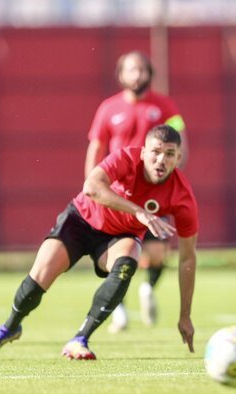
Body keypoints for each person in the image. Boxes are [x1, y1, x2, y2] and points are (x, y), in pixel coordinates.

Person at [0, 125, 198, 360]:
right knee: (40, 276)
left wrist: (185, 315)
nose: (161, 160)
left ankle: (79, 339)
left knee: (128, 260)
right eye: (155, 152)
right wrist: (138, 212)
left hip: (119, 237)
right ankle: (10, 327)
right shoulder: (126, 158)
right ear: (143, 152)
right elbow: (91, 187)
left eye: (169, 154)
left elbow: (187, 258)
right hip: (81, 220)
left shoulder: (182, 196)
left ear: (178, 159)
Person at [85, 51, 189, 333]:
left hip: (153, 193)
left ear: (150, 74)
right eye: (131, 69)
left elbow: (181, 139)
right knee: (114, 254)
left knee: (157, 253)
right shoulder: (108, 108)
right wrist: (92, 185)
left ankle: (148, 288)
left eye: (142, 69)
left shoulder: (165, 106)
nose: (137, 74)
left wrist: (172, 175)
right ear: (121, 75)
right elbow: (96, 146)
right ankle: (118, 309)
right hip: (118, 195)